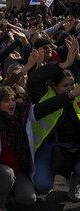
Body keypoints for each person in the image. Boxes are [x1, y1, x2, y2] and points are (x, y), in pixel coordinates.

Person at [0, 83, 80, 210]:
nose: (12, 103)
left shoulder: (24, 112)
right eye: (6, 101)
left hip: (18, 169)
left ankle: (9, 191)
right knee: (6, 173)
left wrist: (71, 95)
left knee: (29, 198)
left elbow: (46, 107)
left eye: (13, 99)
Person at [27, 38, 80, 201]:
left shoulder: (77, 95)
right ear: (54, 86)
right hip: (47, 147)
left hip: (74, 147)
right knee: (42, 186)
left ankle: (75, 181)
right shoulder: (43, 94)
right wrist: (63, 65)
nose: (70, 89)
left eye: (72, 85)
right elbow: (35, 79)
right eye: (65, 86)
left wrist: (78, 59)